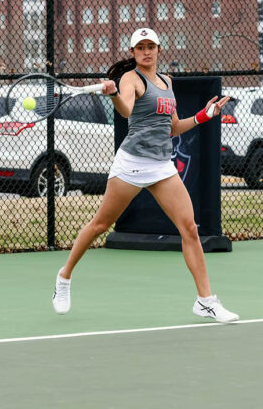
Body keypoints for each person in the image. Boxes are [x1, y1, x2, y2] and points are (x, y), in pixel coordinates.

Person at [52, 28, 239, 323]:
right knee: (101, 224)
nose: (146, 51)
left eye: (151, 46)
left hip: (162, 165)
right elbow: (126, 111)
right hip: (132, 163)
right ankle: (64, 277)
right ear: (133, 53)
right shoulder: (130, 79)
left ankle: (206, 301)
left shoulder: (167, 82)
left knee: (189, 228)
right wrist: (114, 95)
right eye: (140, 47)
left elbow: (173, 126)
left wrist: (205, 115)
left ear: (159, 49)